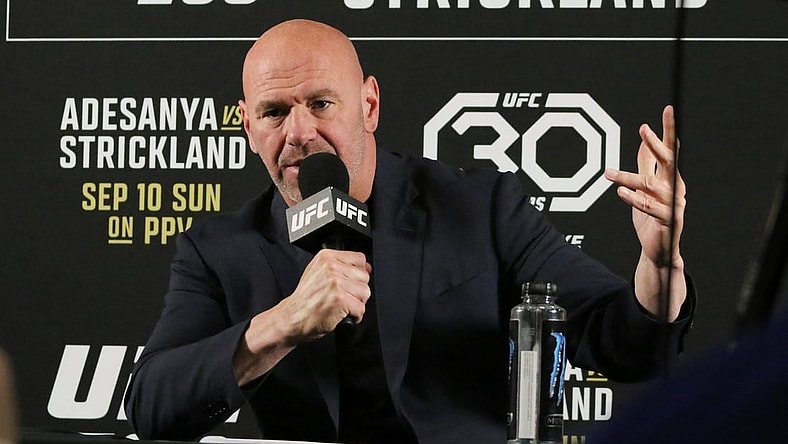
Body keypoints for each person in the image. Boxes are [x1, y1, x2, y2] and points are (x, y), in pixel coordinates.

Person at [125, 19, 695, 444]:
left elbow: (628, 347)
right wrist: (282, 324)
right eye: (275, 112)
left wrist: (660, 267)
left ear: (368, 106)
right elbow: (152, 405)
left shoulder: (481, 206)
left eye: (321, 104)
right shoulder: (219, 248)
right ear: (248, 127)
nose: (300, 132)